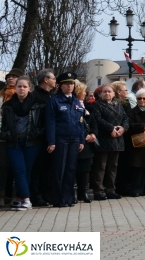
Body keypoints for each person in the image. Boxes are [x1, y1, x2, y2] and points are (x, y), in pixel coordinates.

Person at [2, 76, 45, 211]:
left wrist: (38, 133)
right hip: (13, 142)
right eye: (19, 86)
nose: (22, 89)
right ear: (15, 88)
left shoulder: (37, 104)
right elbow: (4, 125)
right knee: (18, 169)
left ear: (29, 88)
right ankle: (27, 199)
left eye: (24, 86)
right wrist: (5, 134)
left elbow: (43, 123)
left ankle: (19, 198)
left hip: (31, 142)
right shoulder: (8, 105)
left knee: (27, 170)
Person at [45, 72, 84, 208]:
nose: (69, 86)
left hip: (74, 139)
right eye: (66, 84)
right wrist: (51, 141)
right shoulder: (55, 101)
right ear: (60, 86)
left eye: (71, 84)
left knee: (70, 169)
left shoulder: (76, 101)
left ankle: (68, 198)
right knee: (59, 170)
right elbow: (50, 123)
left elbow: (80, 122)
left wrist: (81, 140)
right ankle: (58, 199)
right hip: (60, 139)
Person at [91, 84, 129, 200]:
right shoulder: (97, 105)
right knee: (101, 166)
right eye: (105, 91)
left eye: (109, 91)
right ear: (100, 94)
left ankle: (111, 190)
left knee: (113, 166)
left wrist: (123, 128)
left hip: (117, 139)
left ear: (114, 93)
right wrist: (111, 128)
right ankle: (98, 191)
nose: (107, 93)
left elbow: (125, 118)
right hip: (104, 139)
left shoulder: (119, 105)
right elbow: (98, 119)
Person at [29, 69, 55, 207]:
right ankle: (36, 196)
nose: (55, 81)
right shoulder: (34, 96)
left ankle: (46, 194)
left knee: (47, 168)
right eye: (53, 78)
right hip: (38, 138)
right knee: (37, 168)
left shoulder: (50, 95)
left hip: (48, 137)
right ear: (46, 80)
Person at [77, 83, 97, 203]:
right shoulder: (73, 105)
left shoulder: (87, 106)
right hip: (77, 140)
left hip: (88, 141)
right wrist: (84, 136)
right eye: (83, 91)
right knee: (74, 168)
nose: (85, 94)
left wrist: (93, 134)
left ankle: (83, 191)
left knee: (85, 168)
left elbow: (93, 121)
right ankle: (74, 192)